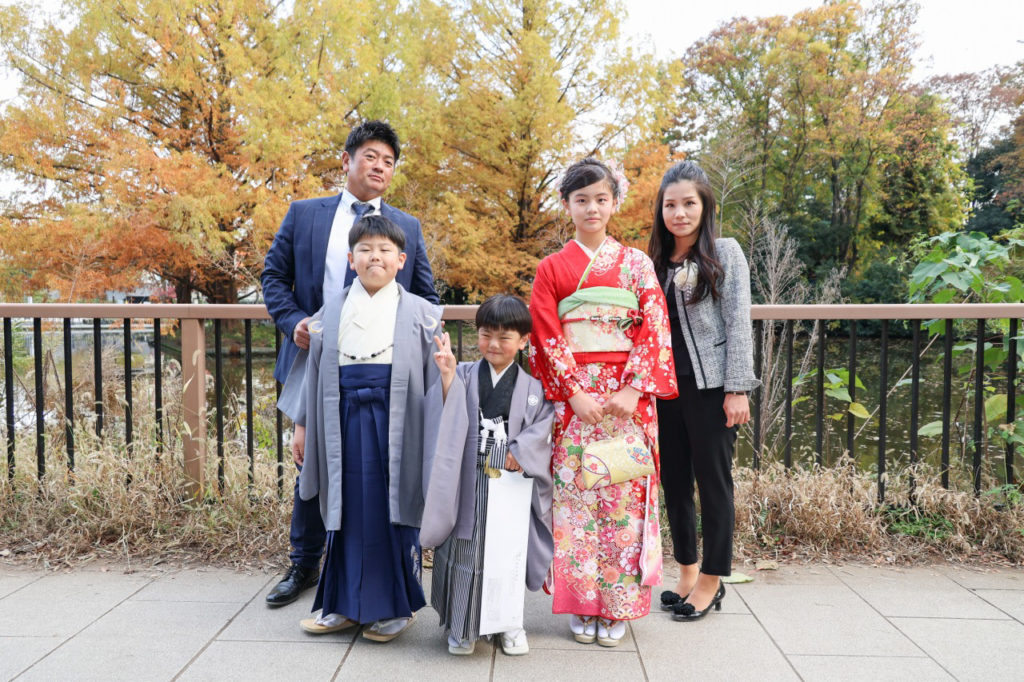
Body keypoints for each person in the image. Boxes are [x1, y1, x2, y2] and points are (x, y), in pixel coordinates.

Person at [262, 120, 439, 607]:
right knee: (312, 461)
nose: (379, 167)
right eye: (370, 157)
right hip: (312, 355)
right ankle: (305, 563)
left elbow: (425, 296)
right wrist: (295, 322)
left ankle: (387, 566)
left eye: (388, 161)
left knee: (380, 465)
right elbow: (273, 277)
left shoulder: (406, 227)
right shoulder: (305, 214)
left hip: (382, 367)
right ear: (347, 160)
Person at [528, 158, 677, 647]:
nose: (591, 207)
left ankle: (617, 606)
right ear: (566, 205)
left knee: (623, 498)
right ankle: (580, 600)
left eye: (600, 198)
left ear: (614, 202)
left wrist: (633, 388)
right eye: (581, 199)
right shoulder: (551, 268)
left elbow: (654, 325)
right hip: (576, 400)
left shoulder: (637, 264)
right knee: (575, 501)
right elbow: (547, 334)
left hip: (626, 397)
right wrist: (573, 391)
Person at [276, 214, 441, 642]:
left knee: (391, 508)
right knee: (345, 508)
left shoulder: (422, 313)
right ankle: (341, 605)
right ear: (351, 259)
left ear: (401, 259)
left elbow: (435, 383)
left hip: (398, 417)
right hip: (342, 416)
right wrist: (302, 426)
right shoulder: (329, 312)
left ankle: (396, 607)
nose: (375, 257)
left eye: (385, 250)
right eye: (365, 249)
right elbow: (313, 374)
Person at [646, 161, 759, 621]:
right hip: (665, 391)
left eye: (689, 203)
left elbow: (738, 322)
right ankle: (687, 572)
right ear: (661, 211)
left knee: (714, 485)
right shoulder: (653, 261)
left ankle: (713, 580)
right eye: (670, 205)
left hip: (712, 389)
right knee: (673, 482)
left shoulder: (725, 252)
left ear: (704, 205)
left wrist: (738, 388)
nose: (680, 213)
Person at [420, 295, 555, 657]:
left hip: (510, 479)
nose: (493, 344)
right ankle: (463, 628)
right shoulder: (463, 372)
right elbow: (445, 415)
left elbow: (544, 427)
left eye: (505, 337)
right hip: (467, 478)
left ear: (523, 340)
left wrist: (520, 451)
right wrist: (447, 375)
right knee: (465, 549)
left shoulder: (533, 388)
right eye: (485, 335)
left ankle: (509, 624)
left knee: (507, 552)